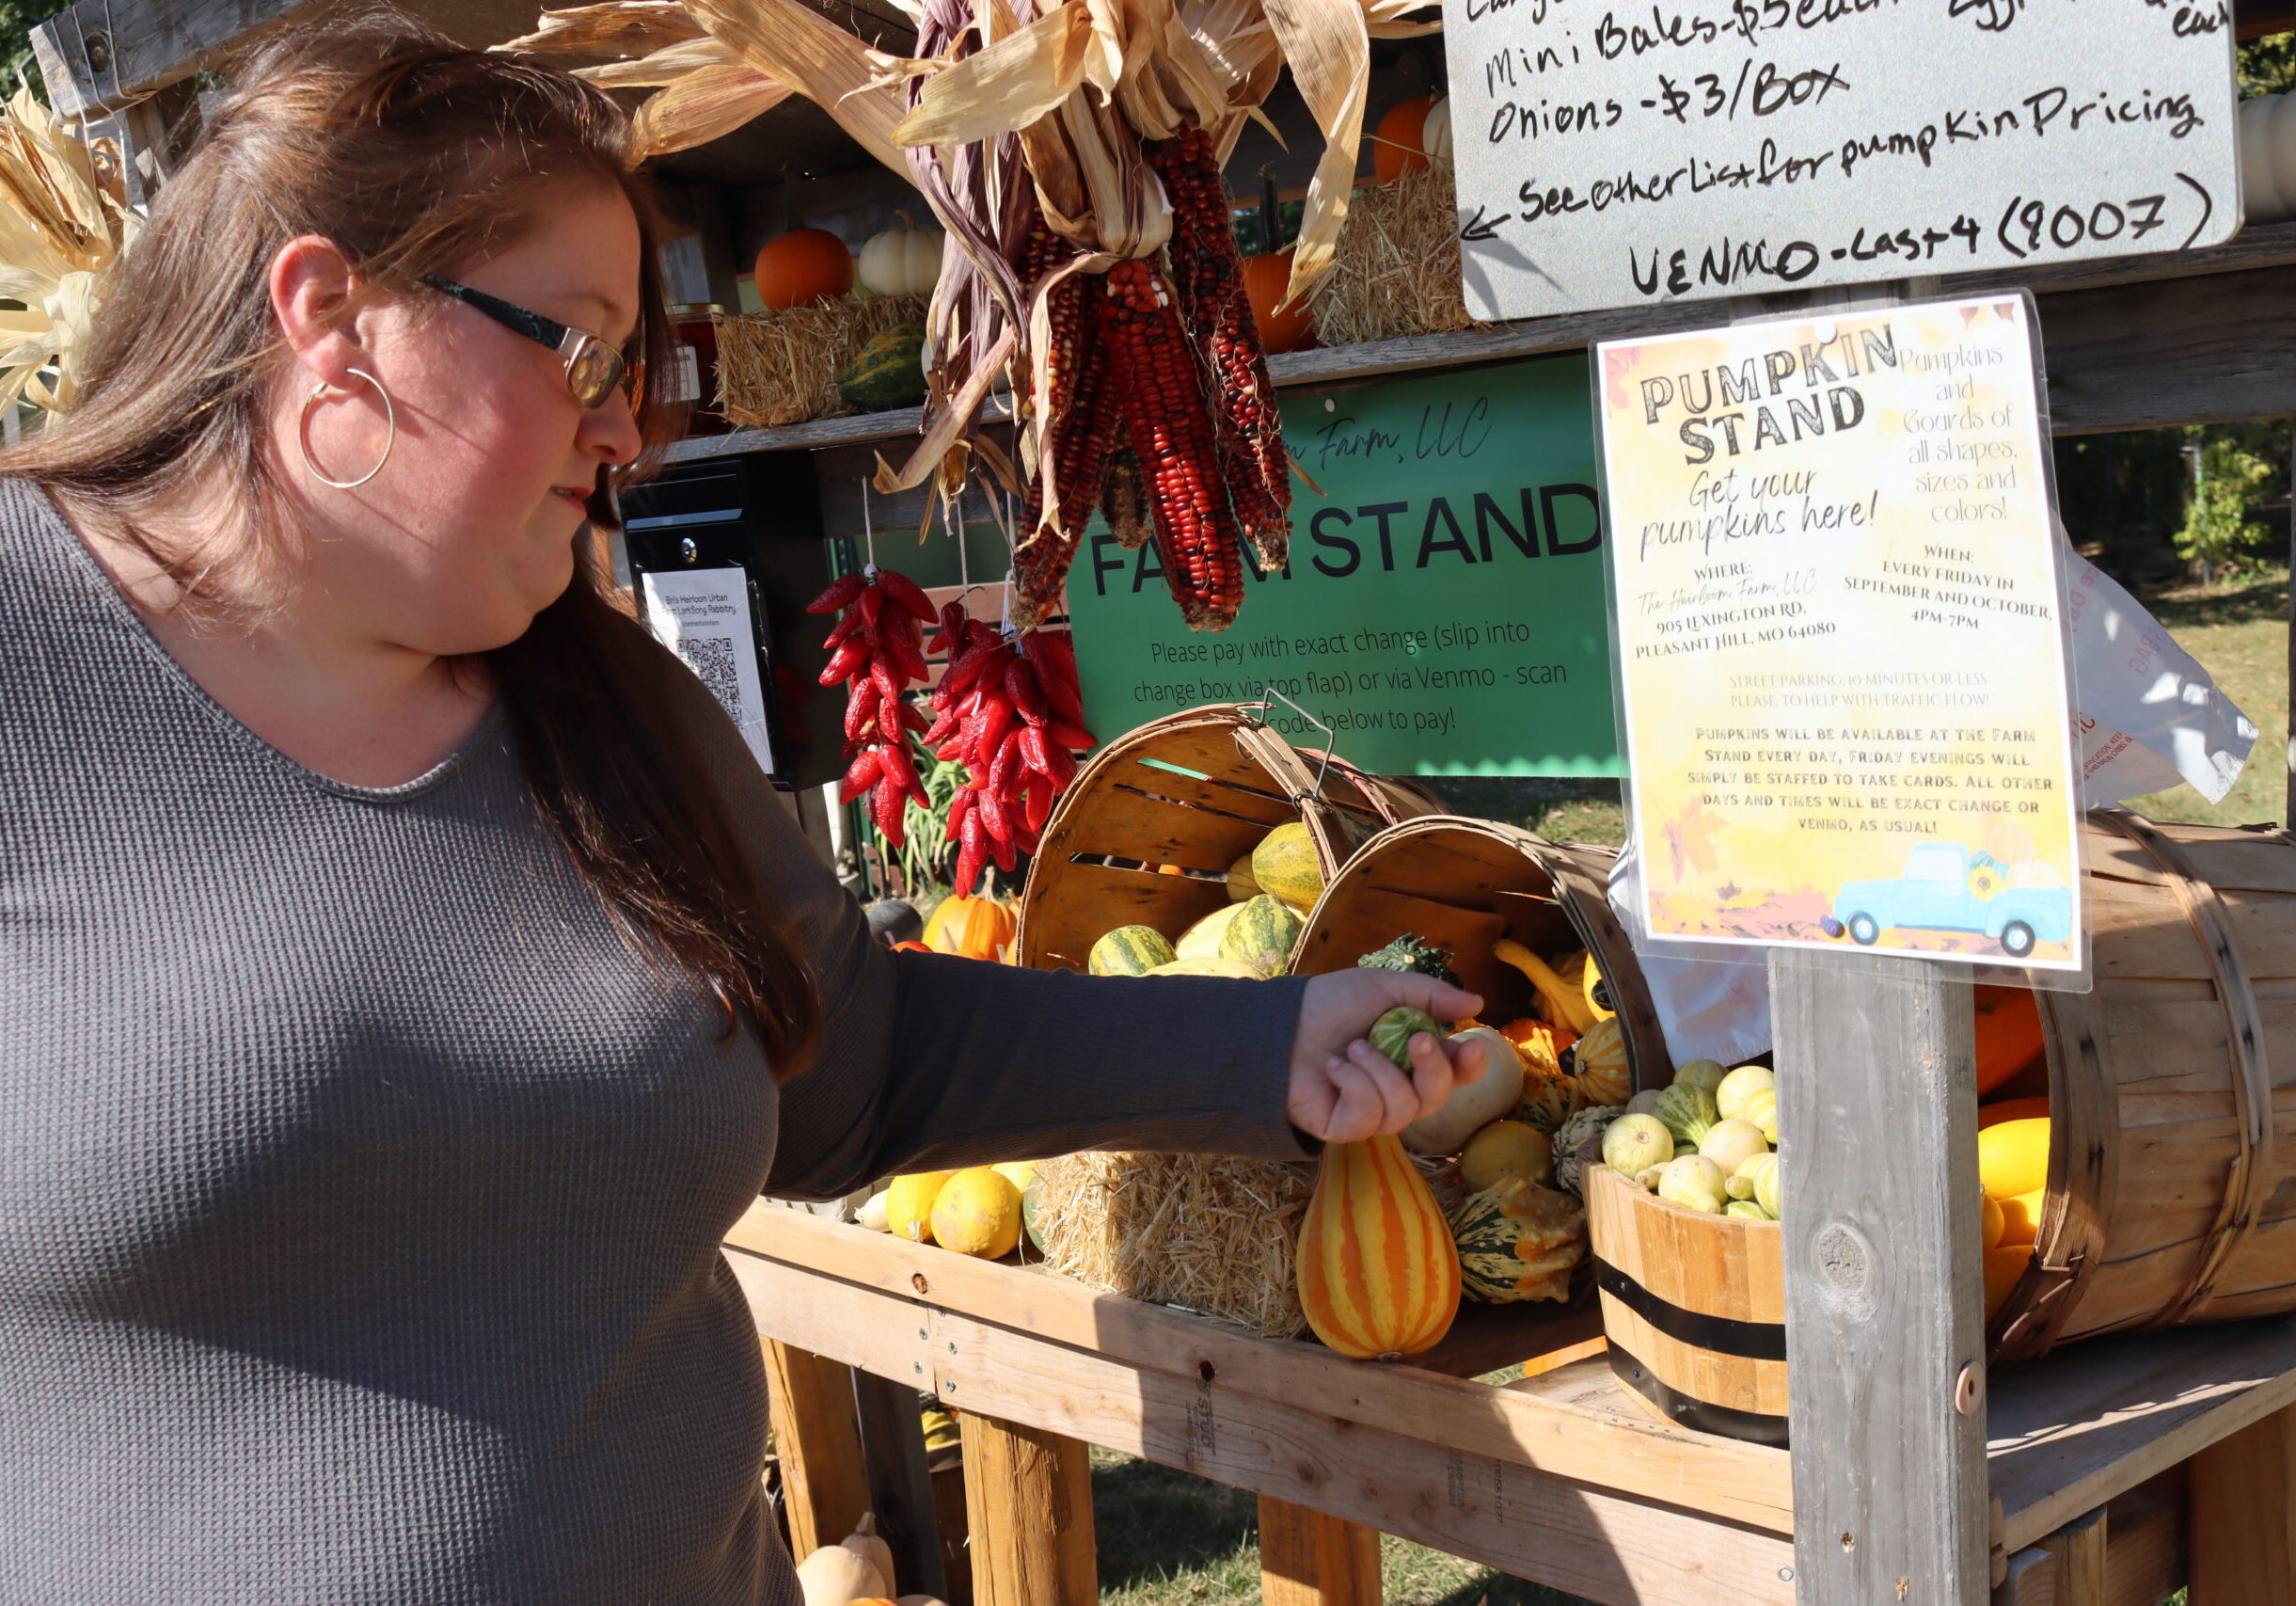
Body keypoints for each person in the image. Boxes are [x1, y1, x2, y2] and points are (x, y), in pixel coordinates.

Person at [0, 19, 1485, 1605]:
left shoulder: (606, 707)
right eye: (575, 348)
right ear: (331, 318)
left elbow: (848, 1064)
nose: (625, 427)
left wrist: (1263, 1047)